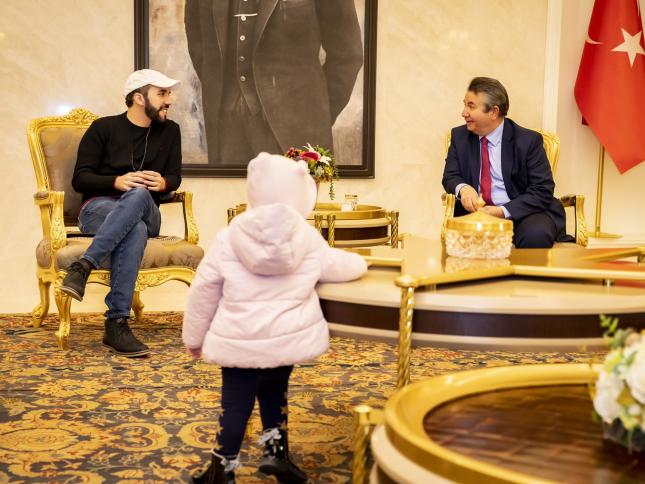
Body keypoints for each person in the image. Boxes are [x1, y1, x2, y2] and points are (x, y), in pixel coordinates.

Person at [182, 153, 367, 483]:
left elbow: (203, 290)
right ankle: (275, 454)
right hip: (284, 340)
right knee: (274, 393)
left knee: (234, 404)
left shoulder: (228, 237)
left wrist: (193, 338)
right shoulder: (306, 237)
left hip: (239, 342)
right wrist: (362, 263)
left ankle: (222, 469)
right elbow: (339, 266)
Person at [60, 69, 182, 357]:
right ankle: (116, 324)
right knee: (134, 228)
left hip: (147, 210)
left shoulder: (170, 131)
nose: (169, 100)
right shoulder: (103, 128)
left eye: (169, 93)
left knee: (139, 196)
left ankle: (84, 266)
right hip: (98, 209)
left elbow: (174, 177)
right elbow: (80, 179)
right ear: (139, 98)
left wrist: (163, 183)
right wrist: (117, 181)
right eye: (162, 94)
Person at [184, 0, 363, 164]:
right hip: (227, 134)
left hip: (297, 132)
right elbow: (199, 44)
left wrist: (315, 115)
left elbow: (347, 55)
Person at [442, 77, 572, 248]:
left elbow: (542, 189)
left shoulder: (527, 141)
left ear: (493, 112)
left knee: (536, 235)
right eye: (465, 105)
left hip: (524, 212)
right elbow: (450, 176)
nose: (464, 112)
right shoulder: (459, 137)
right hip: (476, 214)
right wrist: (464, 188)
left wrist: (502, 211)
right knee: (463, 237)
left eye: (471, 106)